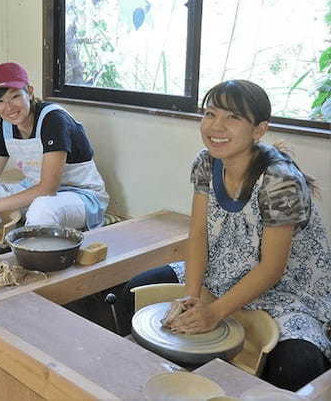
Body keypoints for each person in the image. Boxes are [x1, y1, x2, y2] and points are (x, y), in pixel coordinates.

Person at [122, 80, 331, 391]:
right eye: (210, 114)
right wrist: (191, 297)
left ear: (259, 130)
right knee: (133, 292)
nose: (216, 126)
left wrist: (215, 313)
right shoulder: (206, 162)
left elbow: (273, 269)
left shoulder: (280, 180)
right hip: (223, 270)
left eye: (233, 117)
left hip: (287, 288)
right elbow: (198, 234)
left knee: (297, 366)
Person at [0, 62, 109, 230]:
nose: (8, 108)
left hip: (80, 195)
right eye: (0, 101)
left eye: (15, 97)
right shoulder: (5, 126)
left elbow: (48, 188)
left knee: (41, 211)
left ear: (29, 92)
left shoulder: (54, 120)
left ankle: (32, 248)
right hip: (32, 190)